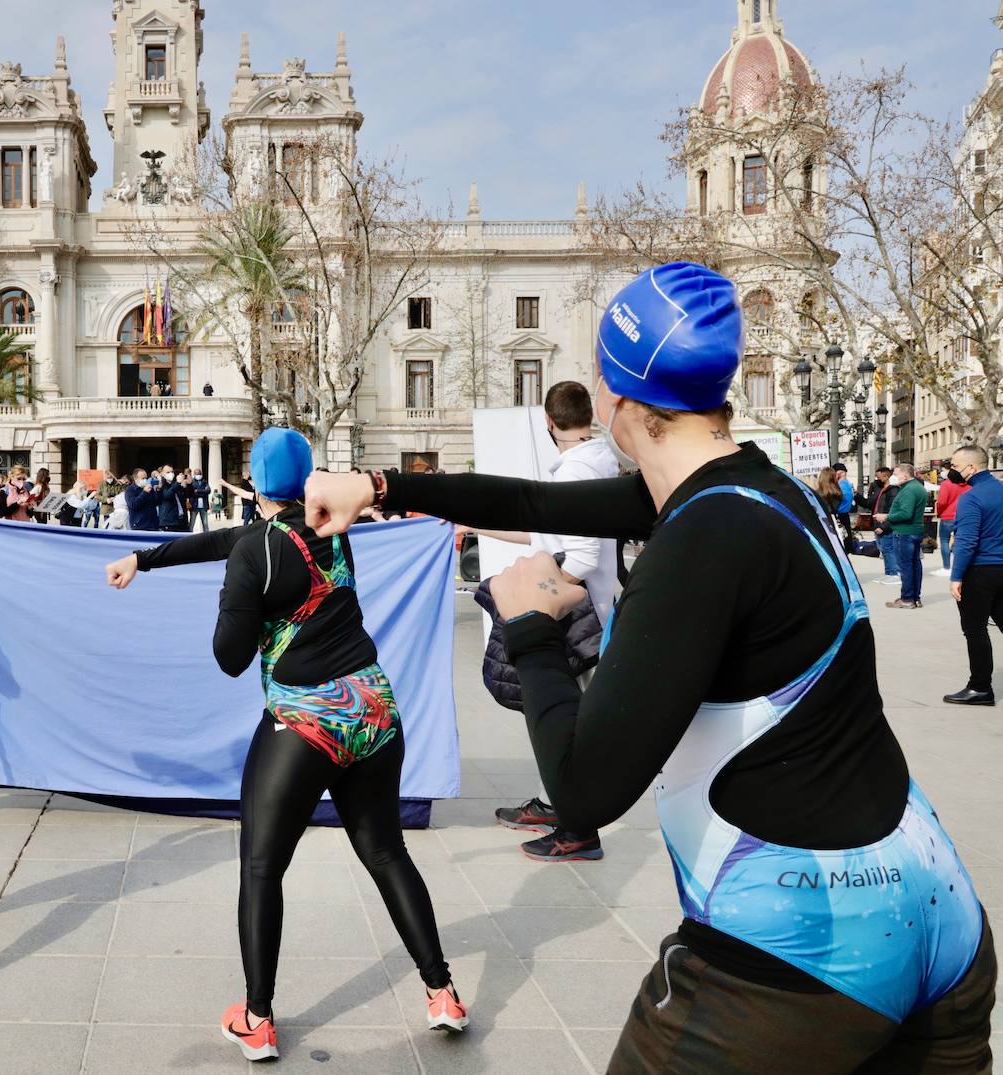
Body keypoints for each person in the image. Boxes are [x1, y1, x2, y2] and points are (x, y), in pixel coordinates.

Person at [301, 262, 993, 1071]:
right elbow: (530, 503)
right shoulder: (760, 492)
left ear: (616, 398)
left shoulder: (700, 540)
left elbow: (586, 789)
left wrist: (531, 624)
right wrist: (381, 483)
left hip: (803, 944)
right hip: (936, 907)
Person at [106, 428, 466, 1061]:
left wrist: (234, 600)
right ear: (305, 480)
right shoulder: (332, 526)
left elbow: (229, 658)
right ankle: (442, 993)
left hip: (305, 720)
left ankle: (257, 1019)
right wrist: (149, 557)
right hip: (373, 708)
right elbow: (233, 539)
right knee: (386, 852)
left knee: (262, 867)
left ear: (250, 481)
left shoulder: (257, 554)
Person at [467, 380, 620, 863]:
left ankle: (578, 830)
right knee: (560, 716)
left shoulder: (575, 472)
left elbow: (582, 552)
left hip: (576, 619)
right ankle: (560, 808)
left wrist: (542, 602)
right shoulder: (598, 463)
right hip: (588, 612)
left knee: (563, 720)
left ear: (548, 422)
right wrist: (471, 524)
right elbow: (544, 532)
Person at [944, 444, 1003, 706]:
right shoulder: (1000, 489)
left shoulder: (972, 497)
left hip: (979, 571)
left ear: (971, 467)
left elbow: (966, 541)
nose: (952, 471)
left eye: (955, 466)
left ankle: (980, 687)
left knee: (975, 629)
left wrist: (956, 577)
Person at [878, 463, 925, 610]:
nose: (893, 477)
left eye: (896, 474)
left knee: (905, 566)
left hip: (904, 532)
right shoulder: (917, 487)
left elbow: (906, 513)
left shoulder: (909, 490)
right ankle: (914, 597)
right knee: (914, 565)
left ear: (905, 475)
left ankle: (907, 598)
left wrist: (886, 516)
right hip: (914, 531)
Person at [932, 467, 969, 578]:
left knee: (944, 541)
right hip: (962, 516)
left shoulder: (946, 484)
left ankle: (947, 567)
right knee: (960, 542)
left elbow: (942, 502)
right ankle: (959, 567)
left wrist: (939, 512)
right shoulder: (968, 485)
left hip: (947, 516)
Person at [870, 466, 901, 585]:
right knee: (884, 549)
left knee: (888, 549)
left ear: (886, 475)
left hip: (886, 525)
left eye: (879, 475)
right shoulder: (883, 489)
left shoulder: (893, 490)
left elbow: (892, 511)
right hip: (880, 523)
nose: (877, 478)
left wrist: (883, 526)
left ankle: (894, 573)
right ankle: (889, 573)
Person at [156, 464, 189, 532]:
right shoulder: (161, 484)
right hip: (169, 522)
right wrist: (177, 483)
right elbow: (167, 495)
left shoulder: (174, 484)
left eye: (172, 472)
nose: (171, 474)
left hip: (181, 520)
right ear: (162, 474)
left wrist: (189, 484)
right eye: (168, 472)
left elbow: (189, 495)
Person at [832, 461, 855, 538]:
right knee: (847, 536)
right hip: (845, 515)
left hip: (838, 515)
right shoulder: (849, 484)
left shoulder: (840, 486)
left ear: (839, 473)